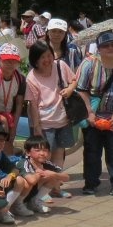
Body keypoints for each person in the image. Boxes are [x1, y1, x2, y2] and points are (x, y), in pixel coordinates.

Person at [75, 31, 113, 196]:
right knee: (92, 150)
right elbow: (81, 90)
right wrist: (89, 112)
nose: (110, 48)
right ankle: (91, 183)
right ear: (99, 48)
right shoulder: (89, 63)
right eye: (105, 45)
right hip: (93, 114)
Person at [25, 41, 75, 173]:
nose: (47, 60)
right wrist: (37, 127)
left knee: (59, 151)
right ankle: (46, 183)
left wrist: (70, 89)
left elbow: (74, 80)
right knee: (44, 155)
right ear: (35, 60)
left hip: (63, 119)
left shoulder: (60, 65)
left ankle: (56, 182)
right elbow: (33, 104)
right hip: (45, 123)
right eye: (42, 57)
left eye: (49, 55)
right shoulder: (31, 78)